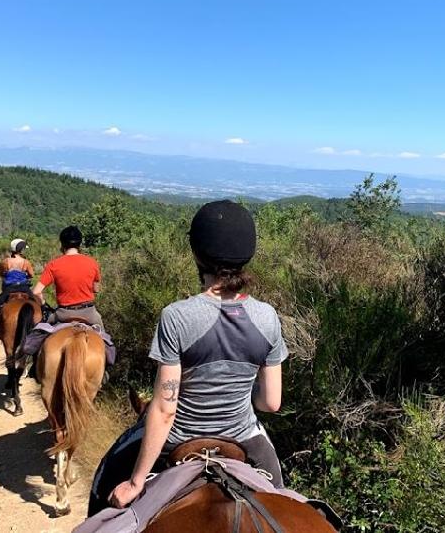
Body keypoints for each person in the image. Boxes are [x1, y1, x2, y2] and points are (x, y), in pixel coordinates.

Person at [88, 200, 288, 515]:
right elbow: (271, 403)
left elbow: (166, 409)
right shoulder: (268, 317)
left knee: (106, 480)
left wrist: (137, 482)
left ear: (197, 254)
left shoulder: (177, 317)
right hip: (244, 436)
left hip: (179, 436)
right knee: (280, 499)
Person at [32, 225, 104, 327]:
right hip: (89, 313)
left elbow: (36, 292)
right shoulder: (92, 262)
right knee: (106, 340)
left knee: (38, 336)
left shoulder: (53, 265)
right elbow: (96, 289)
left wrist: (43, 304)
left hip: (63, 314)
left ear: (62, 244)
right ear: (80, 244)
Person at [0, 238, 35, 342]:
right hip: (24, 288)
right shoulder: (26, 262)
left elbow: (0, 273)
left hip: (9, 289)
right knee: (37, 304)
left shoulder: (6, 262)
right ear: (21, 250)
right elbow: (31, 275)